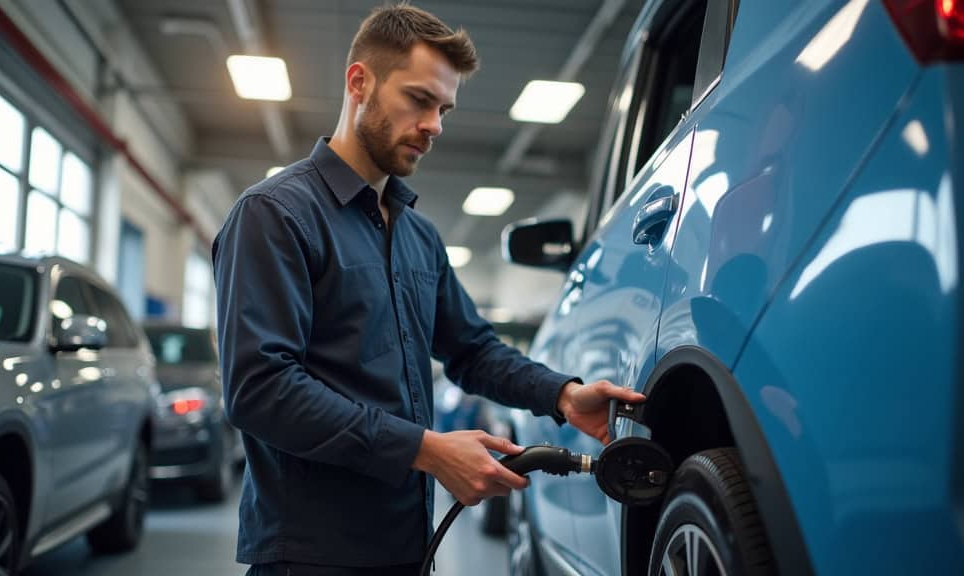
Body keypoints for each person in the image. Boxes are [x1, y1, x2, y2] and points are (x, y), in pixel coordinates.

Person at [212, 3, 645, 575]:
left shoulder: (417, 235)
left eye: (443, 108)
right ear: (359, 82)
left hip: (409, 548)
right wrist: (426, 450)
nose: (436, 125)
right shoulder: (276, 215)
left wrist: (562, 394)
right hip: (311, 556)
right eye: (419, 99)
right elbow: (260, 390)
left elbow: (471, 350)